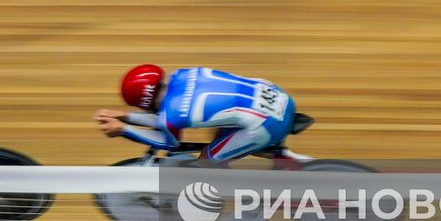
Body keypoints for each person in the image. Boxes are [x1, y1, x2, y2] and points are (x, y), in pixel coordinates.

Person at [94, 64, 298, 163]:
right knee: (221, 134)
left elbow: (167, 142)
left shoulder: (172, 115)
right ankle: (290, 160)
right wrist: (125, 116)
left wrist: (123, 129)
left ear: (143, 102)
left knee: (208, 160)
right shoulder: (182, 74)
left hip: (267, 124)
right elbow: (164, 118)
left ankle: (250, 211)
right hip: (278, 97)